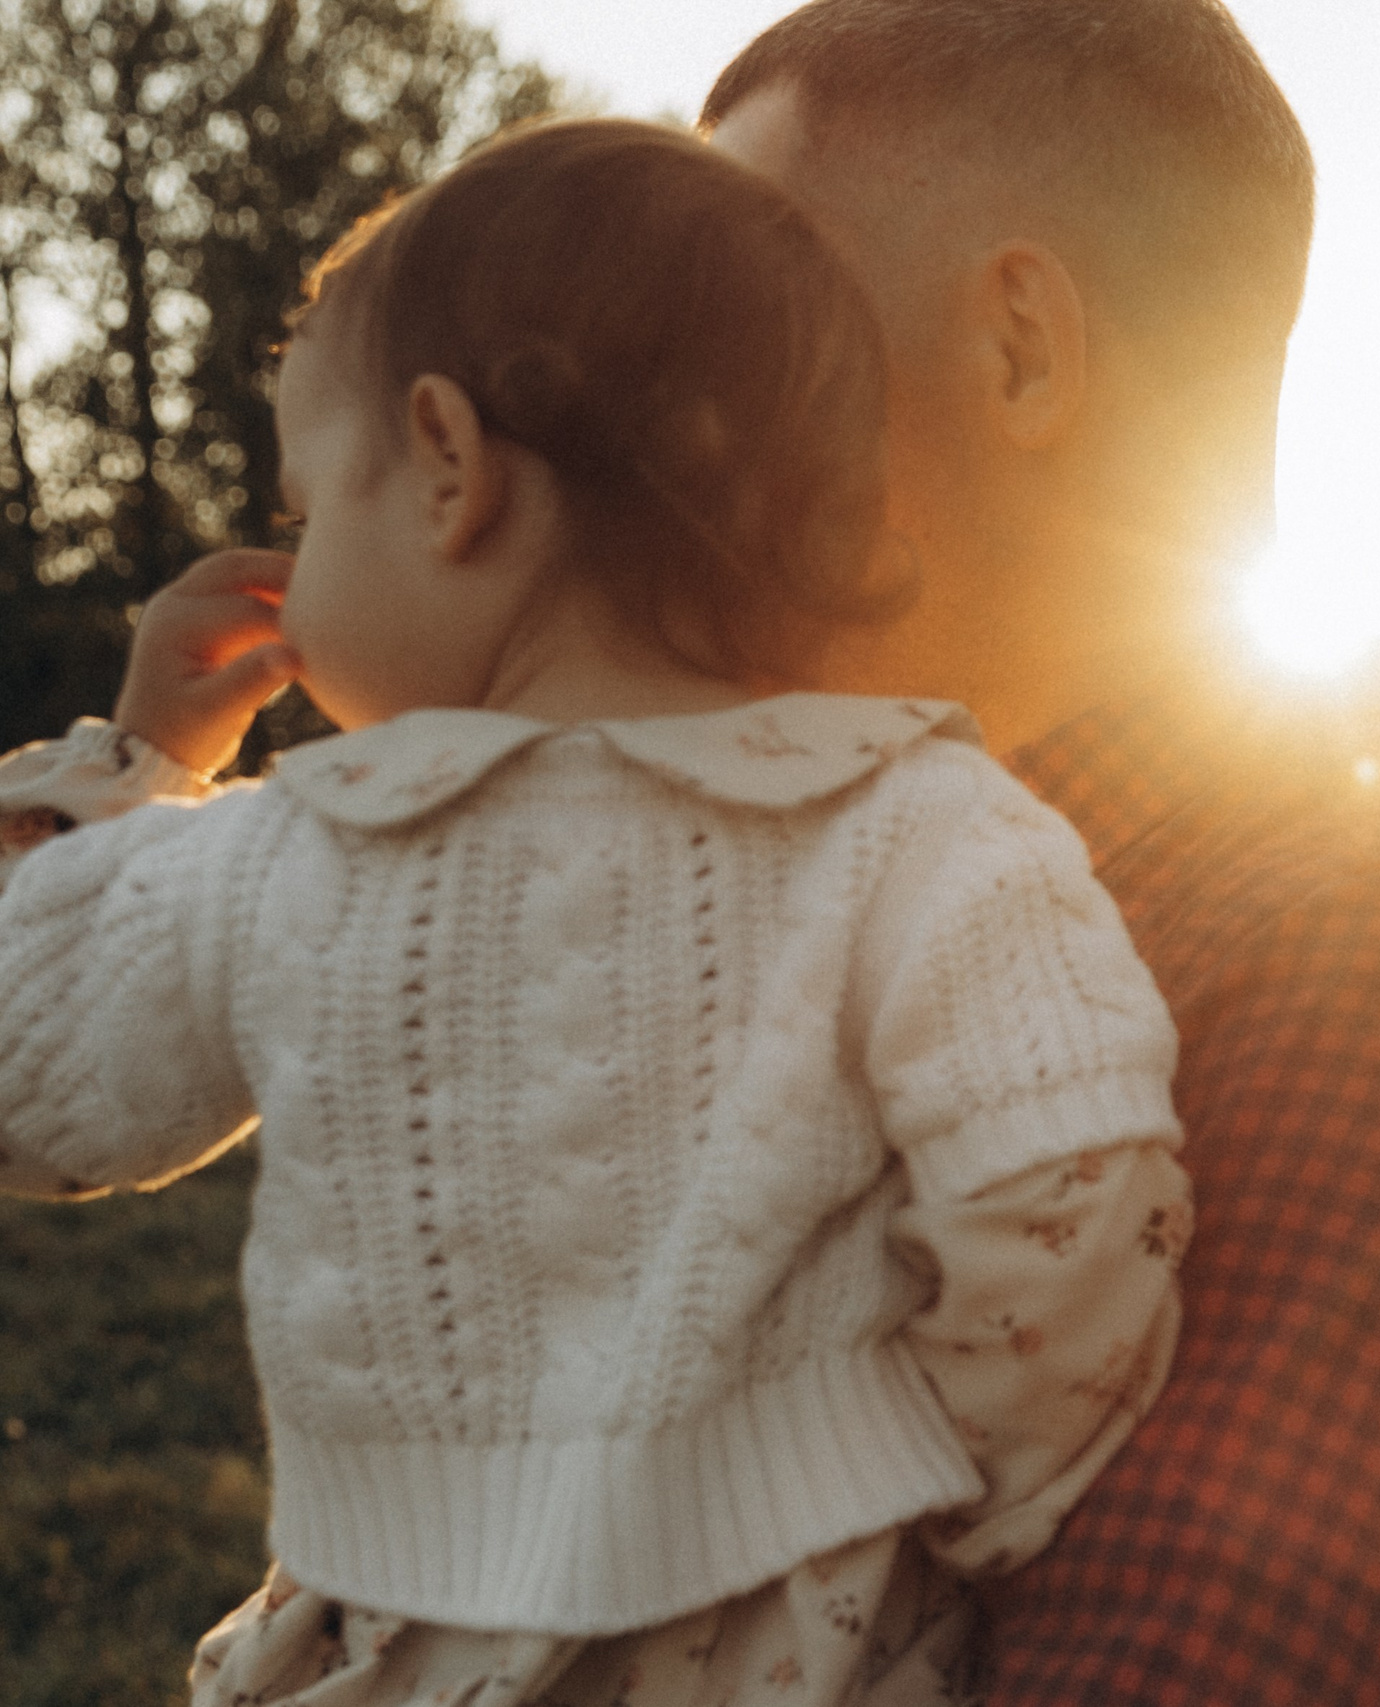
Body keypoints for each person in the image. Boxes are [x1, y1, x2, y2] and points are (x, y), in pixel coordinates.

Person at [0, 119, 1195, 1707]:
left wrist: (144, 762)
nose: (289, 558)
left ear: (447, 465)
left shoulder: (297, 854)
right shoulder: (933, 826)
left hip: (385, 1649)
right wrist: (955, 1469)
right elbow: (1073, 1190)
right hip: (811, 1642)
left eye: (305, 509)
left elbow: (31, 1077)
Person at [697, 5, 1380, 1703]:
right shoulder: (819, 885)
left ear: (1022, 349)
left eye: (731, 331)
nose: (659, 431)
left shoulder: (1363, 974)